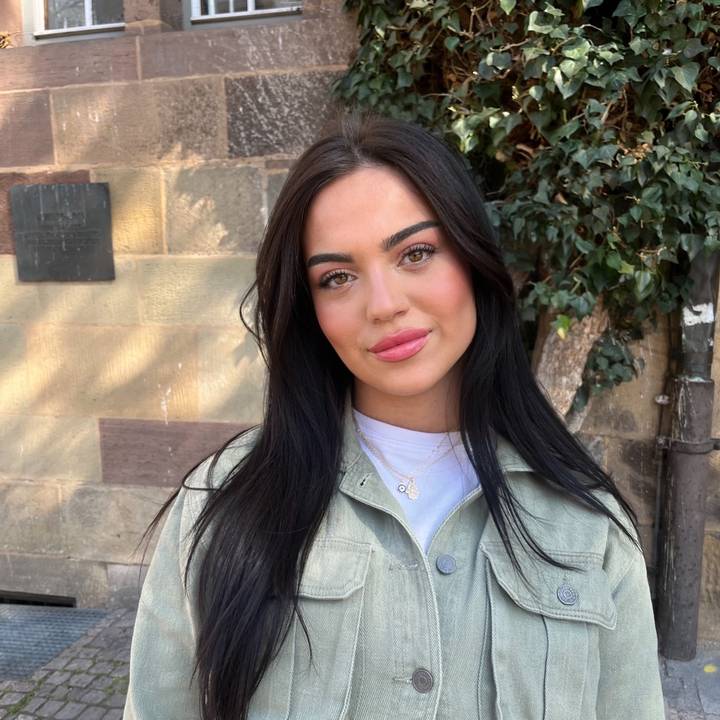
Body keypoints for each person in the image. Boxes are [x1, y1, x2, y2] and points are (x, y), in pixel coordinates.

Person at [123, 111, 666, 720]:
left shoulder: (587, 523)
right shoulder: (223, 502)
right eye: (337, 277)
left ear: (472, 260)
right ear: (309, 309)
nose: (383, 305)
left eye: (416, 253)